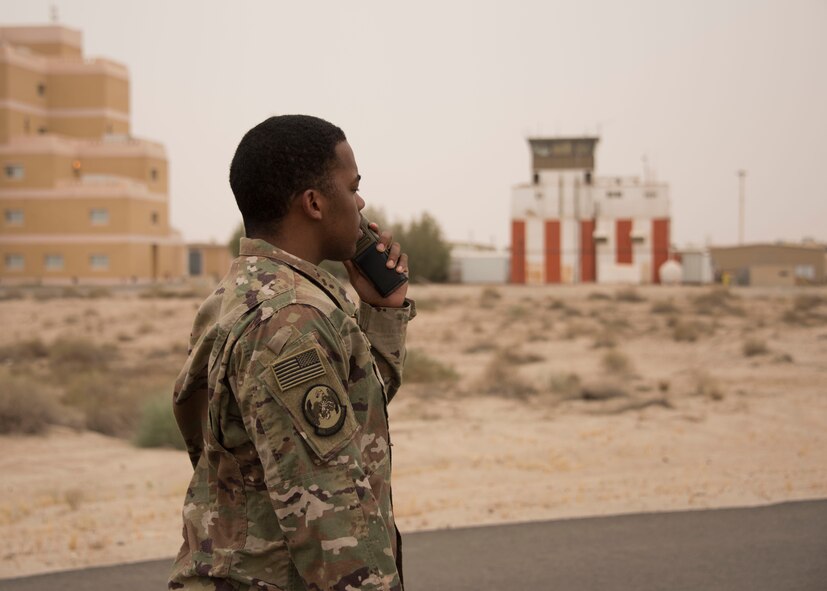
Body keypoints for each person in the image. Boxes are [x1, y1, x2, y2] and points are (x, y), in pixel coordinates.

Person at [169, 115, 414, 591]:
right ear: (315, 202)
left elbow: (347, 417)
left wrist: (383, 311)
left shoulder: (241, 293)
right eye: (353, 187)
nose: (361, 203)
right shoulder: (290, 320)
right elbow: (330, 516)